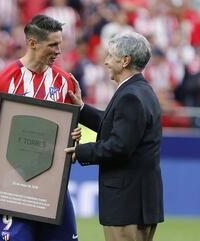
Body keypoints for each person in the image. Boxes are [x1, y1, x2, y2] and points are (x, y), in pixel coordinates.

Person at [0, 15, 79, 241]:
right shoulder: (4, 80)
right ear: (32, 43)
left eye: (60, 43)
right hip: (12, 187)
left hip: (52, 190)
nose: (59, 50)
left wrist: (75, 138)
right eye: (53, 44)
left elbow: (67, 137)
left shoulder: (64, 82)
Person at [65, 32, 164, 241]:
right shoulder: (140, 90)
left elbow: (120, 146)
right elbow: (115, 125)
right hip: (139, 202)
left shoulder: (130, 96)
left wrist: (80, 151)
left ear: (125, 60)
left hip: (127, 203)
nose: (105, 61)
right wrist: (81, 109)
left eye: (110, 55)